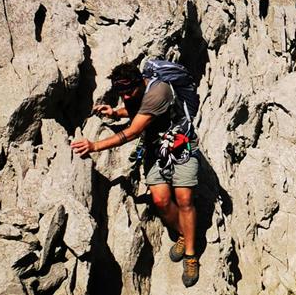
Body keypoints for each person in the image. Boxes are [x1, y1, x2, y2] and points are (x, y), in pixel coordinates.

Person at [70, 62, 201, 288]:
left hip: (182, 146)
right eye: (122, 94)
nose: (127, 97)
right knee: (160, 200)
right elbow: (138, 110)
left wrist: (94, 146)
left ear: (140, 81)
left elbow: (133, 131)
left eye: (129, 92)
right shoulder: (138, 92)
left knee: (184, 199)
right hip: (155, 147)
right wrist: (115, 112)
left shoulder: (158, 92)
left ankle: (190, 254)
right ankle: (183, 232)